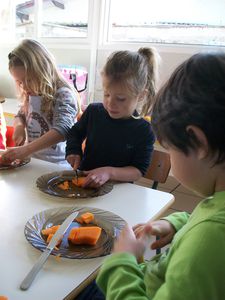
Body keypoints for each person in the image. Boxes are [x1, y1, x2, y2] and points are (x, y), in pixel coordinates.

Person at [94, 52, 225, 299]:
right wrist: (175, 224)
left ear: (198, 142)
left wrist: (122, 262)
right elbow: (204, 216)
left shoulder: (211, 241)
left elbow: (209, 233)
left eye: (171, 148)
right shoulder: (216, 207)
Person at [66, 48, 159, 187]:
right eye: (106, 94)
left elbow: (138, 170)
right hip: (85, 185)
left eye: (120, 99)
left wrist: (109, 172)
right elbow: (74, 133)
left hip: (118, 190)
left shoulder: (144, 130)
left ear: (141, 96)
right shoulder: (93, 112)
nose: (110, 103)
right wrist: (73, 150)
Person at [1, 39, 79, 165]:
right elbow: (20, 115)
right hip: (33, 163)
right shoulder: (31, 93)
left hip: (56, 166)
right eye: (20, 82)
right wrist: (19, 126)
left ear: (43, 70)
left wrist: (26, 150)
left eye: (29, 80)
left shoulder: (63, 94)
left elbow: (63, 129)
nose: (25, 87)